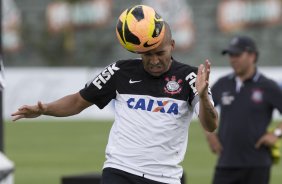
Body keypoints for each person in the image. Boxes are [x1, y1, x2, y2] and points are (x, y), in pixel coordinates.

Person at [11, 20, 218, 184]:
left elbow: (211, 125)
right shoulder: (119, 71)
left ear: (172, 46)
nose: (154, 60)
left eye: (160, 53)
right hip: (120, 171)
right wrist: (45, 108)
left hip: (164, 177)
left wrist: (202, 97)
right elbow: (77, 101)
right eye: (147, 54)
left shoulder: (192, 77)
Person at [206, 36, 282, 184]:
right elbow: (204, 110)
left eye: (237, 55)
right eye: (230, 55)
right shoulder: (222, 84)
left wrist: (276, 134)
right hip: (226, 163)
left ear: (252, 56)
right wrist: (210, 134)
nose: (233, 59)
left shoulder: (268, 86)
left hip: (257, 165)